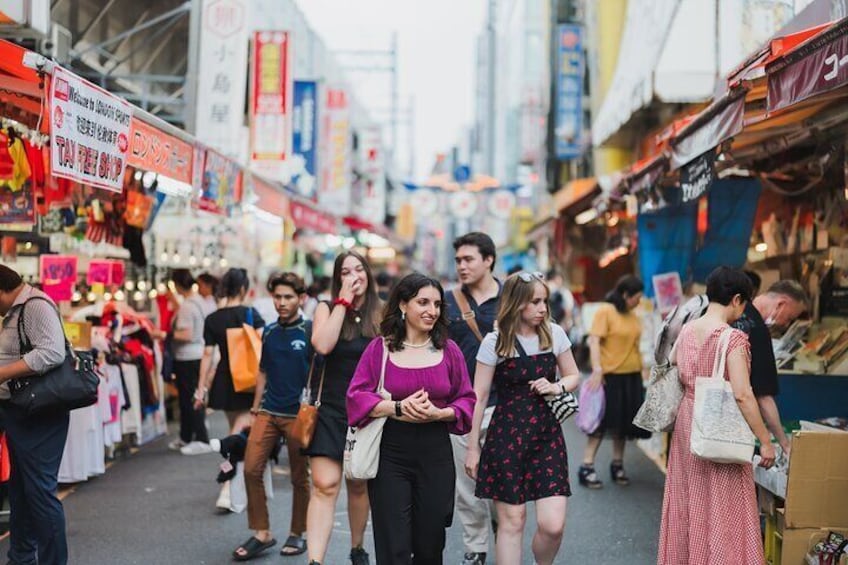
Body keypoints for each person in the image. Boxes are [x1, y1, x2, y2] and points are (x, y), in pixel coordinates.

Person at [347, 273, 476, 564]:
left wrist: (440, 413)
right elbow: (356, 397)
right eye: (423, 302)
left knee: (431, 544)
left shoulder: (449, 351)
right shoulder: (379, 349)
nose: (432, 311)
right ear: (403, 305)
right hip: (391, 452)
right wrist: (397, 407)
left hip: (436, 452)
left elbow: (466, 399)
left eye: (438, 304)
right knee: (394, 545)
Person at [657, 266, 776, 564]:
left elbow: (671, 365)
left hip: (688, 420)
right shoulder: (732, 338)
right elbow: (743, 394)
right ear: (737, 299)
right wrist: (766, 440)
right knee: (724, 502)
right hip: (720, 423)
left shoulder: (686, 330)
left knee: (690, 496)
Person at [464, 272, 580, 565]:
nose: (543, 307)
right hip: (506, 437)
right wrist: (473, 447)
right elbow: (478, 395)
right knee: (512, 521)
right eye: (535, 302)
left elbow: (573, 374)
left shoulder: (554, 334)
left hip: (547, 437)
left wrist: (556, 386)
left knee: (553, 526)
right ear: (517, 305)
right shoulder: (495, 342)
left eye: (544, 301)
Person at [306, 251, 382, 565]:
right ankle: (315, 560)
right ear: (338, 278)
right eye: (346, 271)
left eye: (359, 269)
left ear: (368, 273)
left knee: (358, 484)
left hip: (369, 412)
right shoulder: (326, 308)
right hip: (332, 409)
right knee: (325, 485)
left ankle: (357, 547)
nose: (353, 276)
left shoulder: (383, 312)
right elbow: (322, 345)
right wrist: (342, 303)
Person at [232, 273, 312, 560]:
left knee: (299, 477)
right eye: (277, 297)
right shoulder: (268, 331)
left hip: (298, 415)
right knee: (251, 468)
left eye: (288, 297)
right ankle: (262, 533)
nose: (281, 302)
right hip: (267, 411)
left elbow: (320, 372)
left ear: (301, 298)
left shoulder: (310, 330)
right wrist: (255, 409)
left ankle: (298, 533)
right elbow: (263, 371)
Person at [0, 265, 70, 564]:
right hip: (19, 411)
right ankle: (22, 558)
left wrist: (1, 373)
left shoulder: (35, 305)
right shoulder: (15, 311)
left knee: (39, 492)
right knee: (21, 492)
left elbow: (52, 352)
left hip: (38, 414)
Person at [444, 232, 502, 565]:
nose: (462, 266)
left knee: (500, 481)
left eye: (468, 259)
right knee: (467, 485)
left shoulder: (513, 297)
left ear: (488, 260)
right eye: (458, 261)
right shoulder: (448, 301)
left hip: (505, 403)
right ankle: (476, 548)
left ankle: (501, 526)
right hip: (460, 406)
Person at [195, 268, 266, 510]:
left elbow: (207, 355)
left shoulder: (213, 319)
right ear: (244, 289)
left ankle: (232, 481)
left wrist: (200, 388)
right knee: (239, 431)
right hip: (247, 381)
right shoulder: (249, 313)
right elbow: (261, 348)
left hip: (225, 381)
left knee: (234, 428)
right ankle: (228, 486)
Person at [579, 274, 649, 489]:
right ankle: (587, 466)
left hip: (632, 376)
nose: (638, 301)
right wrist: (598, 369)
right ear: (625, 294)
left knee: (623, 424)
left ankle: (617, 464)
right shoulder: (605, 311)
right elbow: (594, 340)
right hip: (610, 376)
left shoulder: (633, 315)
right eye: (636, 297)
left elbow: (636, 346)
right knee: (601, 422)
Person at [733, 279, 807, 458]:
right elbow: (763, 396)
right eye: (789, 318)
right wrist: (783, 443)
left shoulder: (735, 314)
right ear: (781, 303)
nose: (785, 324)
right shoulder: (756, 329)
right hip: (733, 431)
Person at [168, 269, 212, 455]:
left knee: (190, 398)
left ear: (177, 285)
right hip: (196, 355)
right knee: (190, 397)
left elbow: (186, 334)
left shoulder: (187, 306)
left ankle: (200, 438)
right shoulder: (199, 301)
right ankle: (186, 436)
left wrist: (166, 334)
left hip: (187, 356)